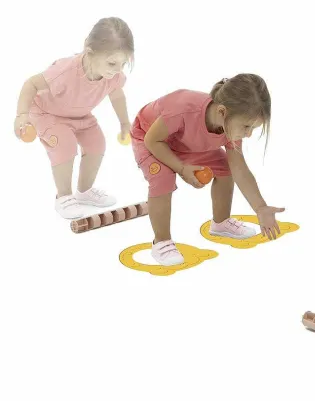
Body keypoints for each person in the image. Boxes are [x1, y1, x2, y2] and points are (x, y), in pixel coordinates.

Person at [131, 74, 284, 266]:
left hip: (183, 143)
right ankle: (161, 242)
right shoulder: (183, 110)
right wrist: (181, 168)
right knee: (163, 178)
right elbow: (152, 140)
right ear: (222, 112)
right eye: (246, 126)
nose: (248, 134)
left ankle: (221, 223)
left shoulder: (230, 123)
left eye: (253, 128)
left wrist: (260, 207)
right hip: (150, 137)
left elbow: (239, 168)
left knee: (225, 166)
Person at [14, 17, 134, 218]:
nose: (117, 70)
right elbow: (31, 84)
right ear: (89, 51)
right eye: (112, 63)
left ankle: (84, 192)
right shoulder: (65, 71)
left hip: (79, 115)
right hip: (47, 113)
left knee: (97, 143)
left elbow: (116, 94)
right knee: (64, 144)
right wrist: (21, 115)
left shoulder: (112, 76)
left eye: (123, 63)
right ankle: (63, 197)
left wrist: (124, 122)